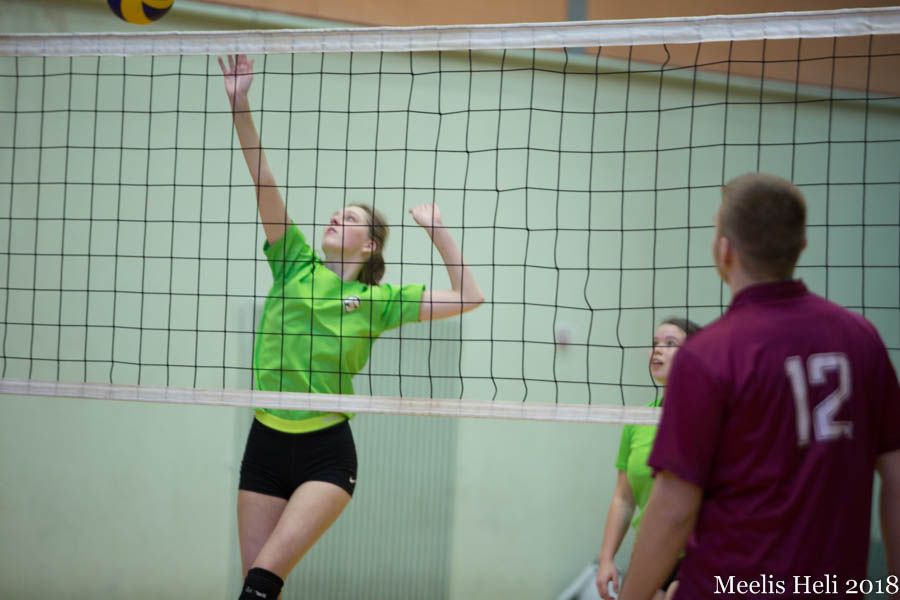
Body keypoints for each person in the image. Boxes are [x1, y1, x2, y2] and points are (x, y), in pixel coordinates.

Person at [218, 54, 484, 600]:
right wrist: (240, 105)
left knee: (260, 586)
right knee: (258, 588)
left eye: (353, 218)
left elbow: (469, 297)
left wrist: (439, 232)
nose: (337, 216)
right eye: (337, 212)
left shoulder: (379, 302)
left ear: (370, 246)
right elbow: (263, 180)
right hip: (264, 441)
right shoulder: (293, 262)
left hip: (326, 454)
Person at [618, 173, 900, 599]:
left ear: (724, 249)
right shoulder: (862, 339)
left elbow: (672, 510)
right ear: (802, 245)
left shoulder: (709, 355)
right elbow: (895, 476)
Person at [595, 317, 700, 600]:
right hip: (650, 551)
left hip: (699, 551)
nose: (658, 350)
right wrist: (606, 559)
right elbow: (623, 498)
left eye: (670, 343)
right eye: (655, 343)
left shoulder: (706, 416)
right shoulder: (638, 419)